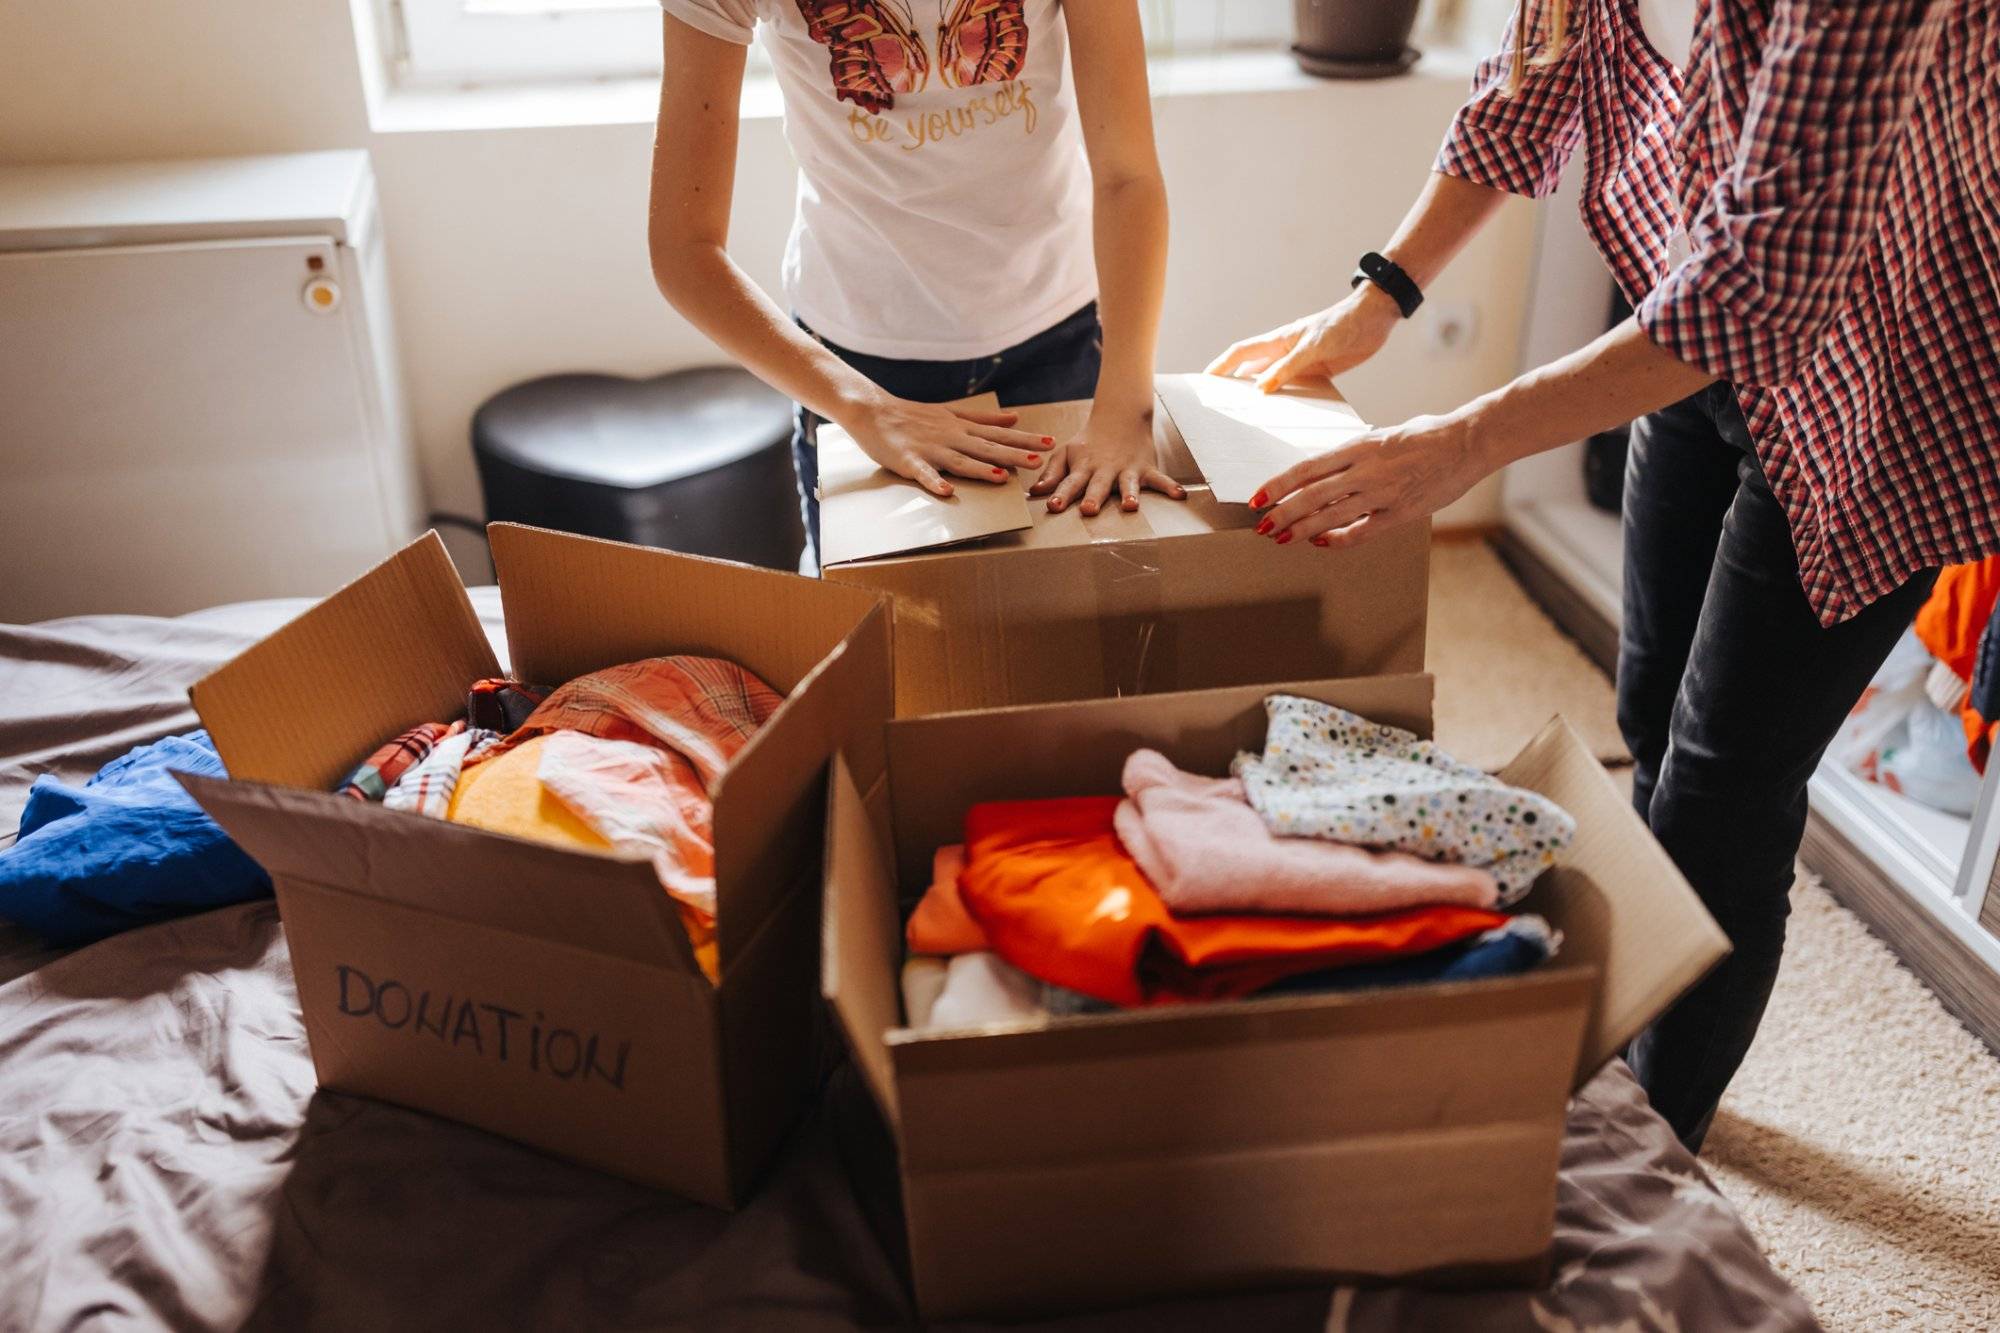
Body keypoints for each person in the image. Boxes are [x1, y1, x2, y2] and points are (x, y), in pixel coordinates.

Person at [1211, 0, 1998, 1152]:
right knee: (1647, 711)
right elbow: (1530, 71)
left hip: (1889, 369)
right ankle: (1634, 1035)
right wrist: (1377, 295)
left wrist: (1459, 443)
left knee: (1721, 793)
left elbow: (1752, 293)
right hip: (1674, 319)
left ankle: (1651, 1151)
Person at [648, 0, 1182, 572]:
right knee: (881, 635)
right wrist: (864, 408)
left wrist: (1126, 407)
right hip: (854, 365)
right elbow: (684, 252)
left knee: (1066, 621)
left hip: (1059, 339)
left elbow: (1128, 177)